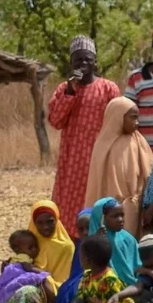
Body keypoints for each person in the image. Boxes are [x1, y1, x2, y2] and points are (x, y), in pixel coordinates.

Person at [49, 37, 126, 235]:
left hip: (100, 157)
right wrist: (69, 90)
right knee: (68, 208)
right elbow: (55, 121)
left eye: (87, 59)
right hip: (72, 161)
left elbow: (118, 120)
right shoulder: (63, 89)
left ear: (95, 62)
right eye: (78, 60)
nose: (83, 64)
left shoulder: (109, 88)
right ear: (71, 63)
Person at [84, 96, 152, 230]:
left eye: (138, 118)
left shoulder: (139, 141)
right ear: (118, 117)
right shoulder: (103, 145)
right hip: (111, 211)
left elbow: (148, 171)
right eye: (132, 118)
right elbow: (99, 183)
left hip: (136, 207)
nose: (137, 123)